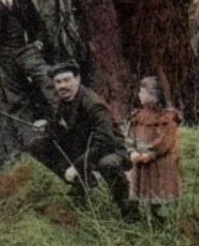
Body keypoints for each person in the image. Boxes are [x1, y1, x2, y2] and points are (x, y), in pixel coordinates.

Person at [24, 62, 133, 212]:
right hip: (84, 146)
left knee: (107, 164)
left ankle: (127, 207)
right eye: (58, 82)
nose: (62, 85)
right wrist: (48, 126)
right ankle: (83, 184)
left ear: (78, 79)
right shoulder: (64, 100)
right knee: (37, 145)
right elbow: (66, 128)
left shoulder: (92, 103)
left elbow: (105, 141)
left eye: (67, 80)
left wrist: (77, 166)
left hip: (110, 150)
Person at [125, 75, 183, 218]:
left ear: (155, 96)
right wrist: (132, 151)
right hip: (139, 160)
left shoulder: (167, 118)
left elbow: (166, 141)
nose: (139, 95)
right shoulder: (138, 116)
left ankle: (160, 219)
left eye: (143, 92)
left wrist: (151, 153)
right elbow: (130, 136)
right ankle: (136, 217)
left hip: (159, 163)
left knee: (158, 193)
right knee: (138, 190)